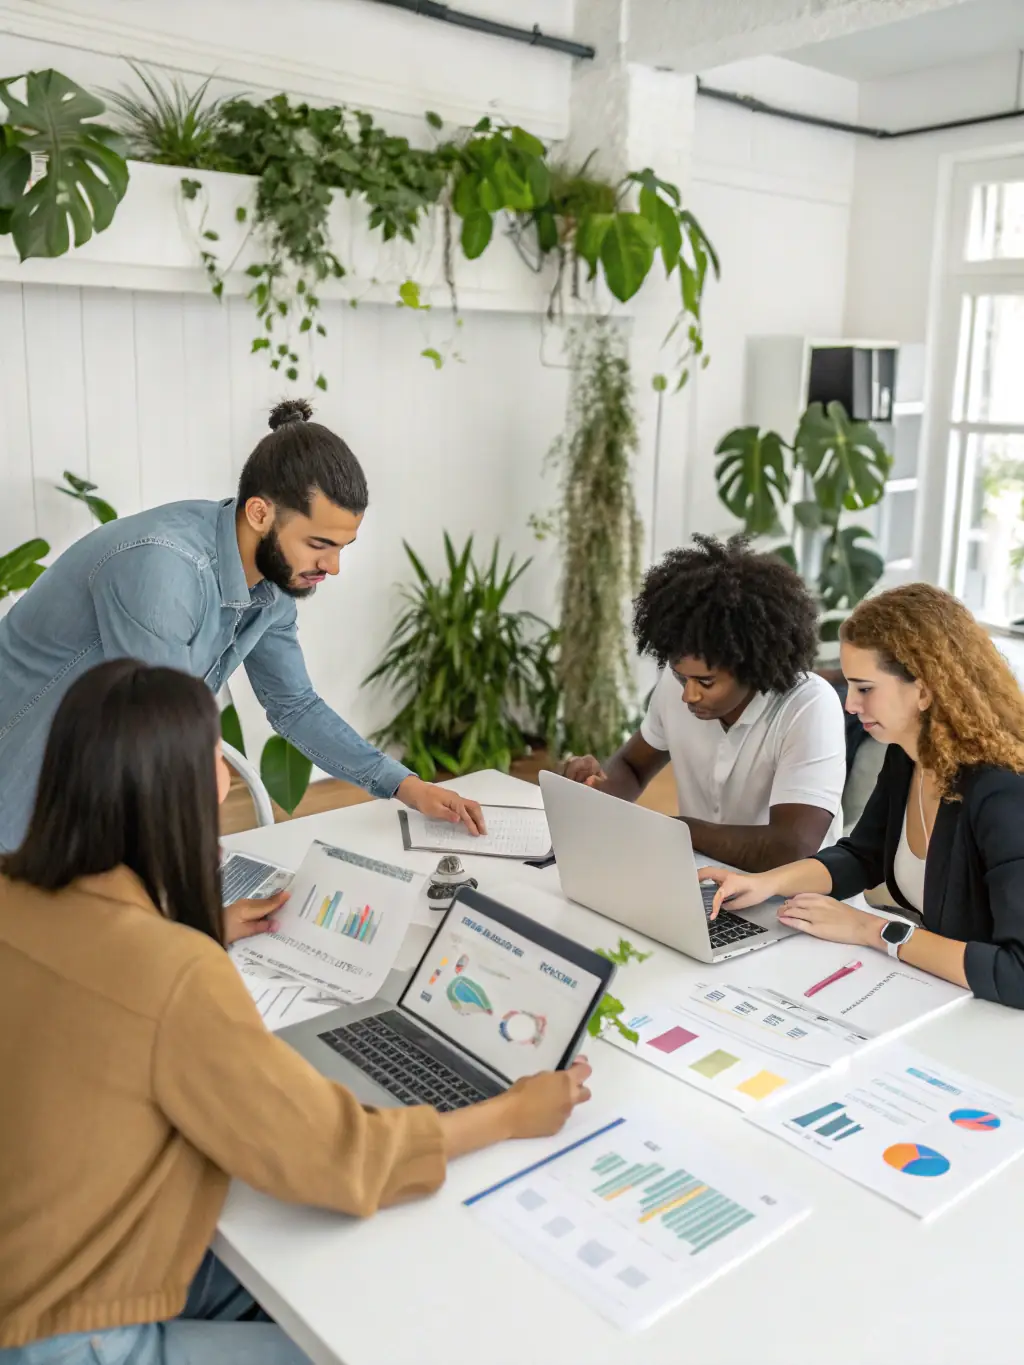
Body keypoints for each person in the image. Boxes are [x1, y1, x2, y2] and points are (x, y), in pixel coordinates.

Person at [0, 660, 592, 1361]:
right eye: (215, 758)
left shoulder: (18, 898)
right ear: (177, 792)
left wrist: (200, 929)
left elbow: (93, 977)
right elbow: (342, 1159)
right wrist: (510, 1113)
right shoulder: (176, 974)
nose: (226, 776)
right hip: (71, 1329)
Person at [0, 399, 483, 854]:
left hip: (81, 799)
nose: (332, 567)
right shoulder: (162, 569)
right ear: (260, 513)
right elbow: (162, 737)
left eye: (342, 547)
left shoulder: (271, 587)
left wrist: (407, 786)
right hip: (18, 795)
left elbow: (294, 706)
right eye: (319, 544)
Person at [702, 584, 1024, 1009]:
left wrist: (869, 929)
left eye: (865, 688)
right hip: (948, 998)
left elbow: (1017, 974)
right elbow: (862, 855)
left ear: (925, 690)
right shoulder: (909, 758)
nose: (850, 704)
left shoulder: (1003, 793)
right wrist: (766, 884)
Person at [563, 535, 846, 871]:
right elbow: (633, 766)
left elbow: (792, 847)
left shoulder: (808, 706)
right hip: (703, 882)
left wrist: (680, 830)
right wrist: (596, 792)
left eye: (706, 682)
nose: (689, 694)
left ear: (752, 668)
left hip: (794, 904)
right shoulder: (678, 682)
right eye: (682, 677)